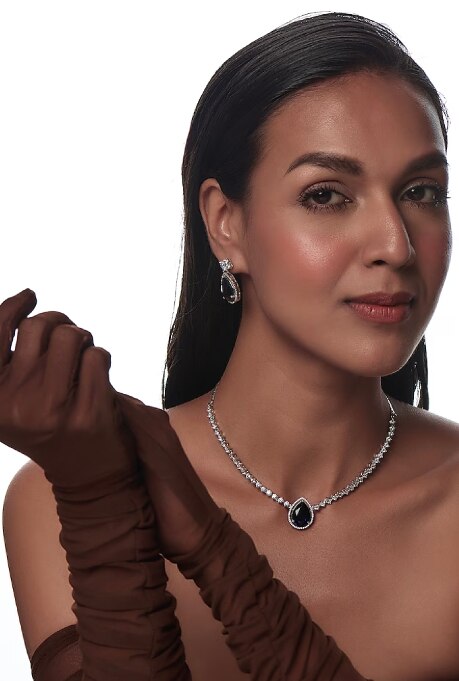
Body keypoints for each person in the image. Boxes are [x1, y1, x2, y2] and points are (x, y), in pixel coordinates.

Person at [2, 10, 459, 680]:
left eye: (421, 192)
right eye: (327, 195)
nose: (396, 245)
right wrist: (99, 499)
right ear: (225, 224)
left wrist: (208, 543)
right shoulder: (51, 499)